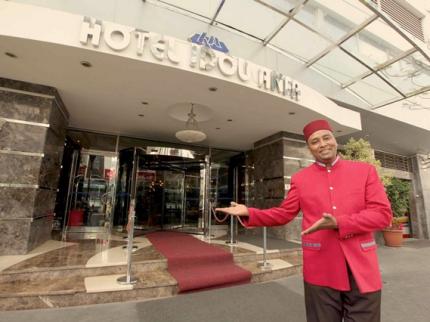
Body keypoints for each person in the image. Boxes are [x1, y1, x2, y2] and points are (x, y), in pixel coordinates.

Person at [216, 119, 392, 322]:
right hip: (320, 266)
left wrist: (339, 222)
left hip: (360, 264)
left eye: (326, 138)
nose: (323, 144)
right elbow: (283, 214)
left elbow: (382, 214)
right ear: (309, 148)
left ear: (335, 140)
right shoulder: (300, 179)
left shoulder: (364, 171)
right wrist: (249, 212)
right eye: (315, 141)